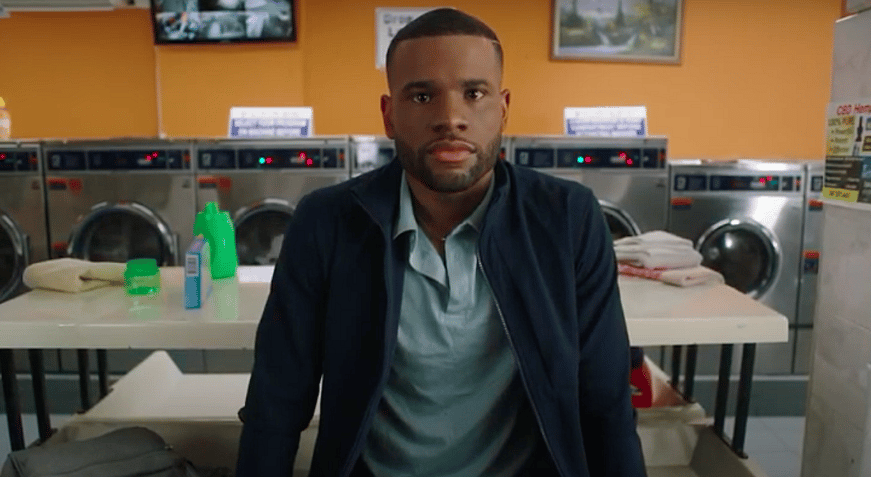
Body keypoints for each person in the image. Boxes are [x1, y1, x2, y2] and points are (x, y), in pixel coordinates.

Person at [236, 7, 647, 477]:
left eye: (474, 93)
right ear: (389, 115)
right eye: (422, 95)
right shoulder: (327, 221)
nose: (450, 118)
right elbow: (278, 400)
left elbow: (606, 402)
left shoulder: (567, 218)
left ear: (503, 107)